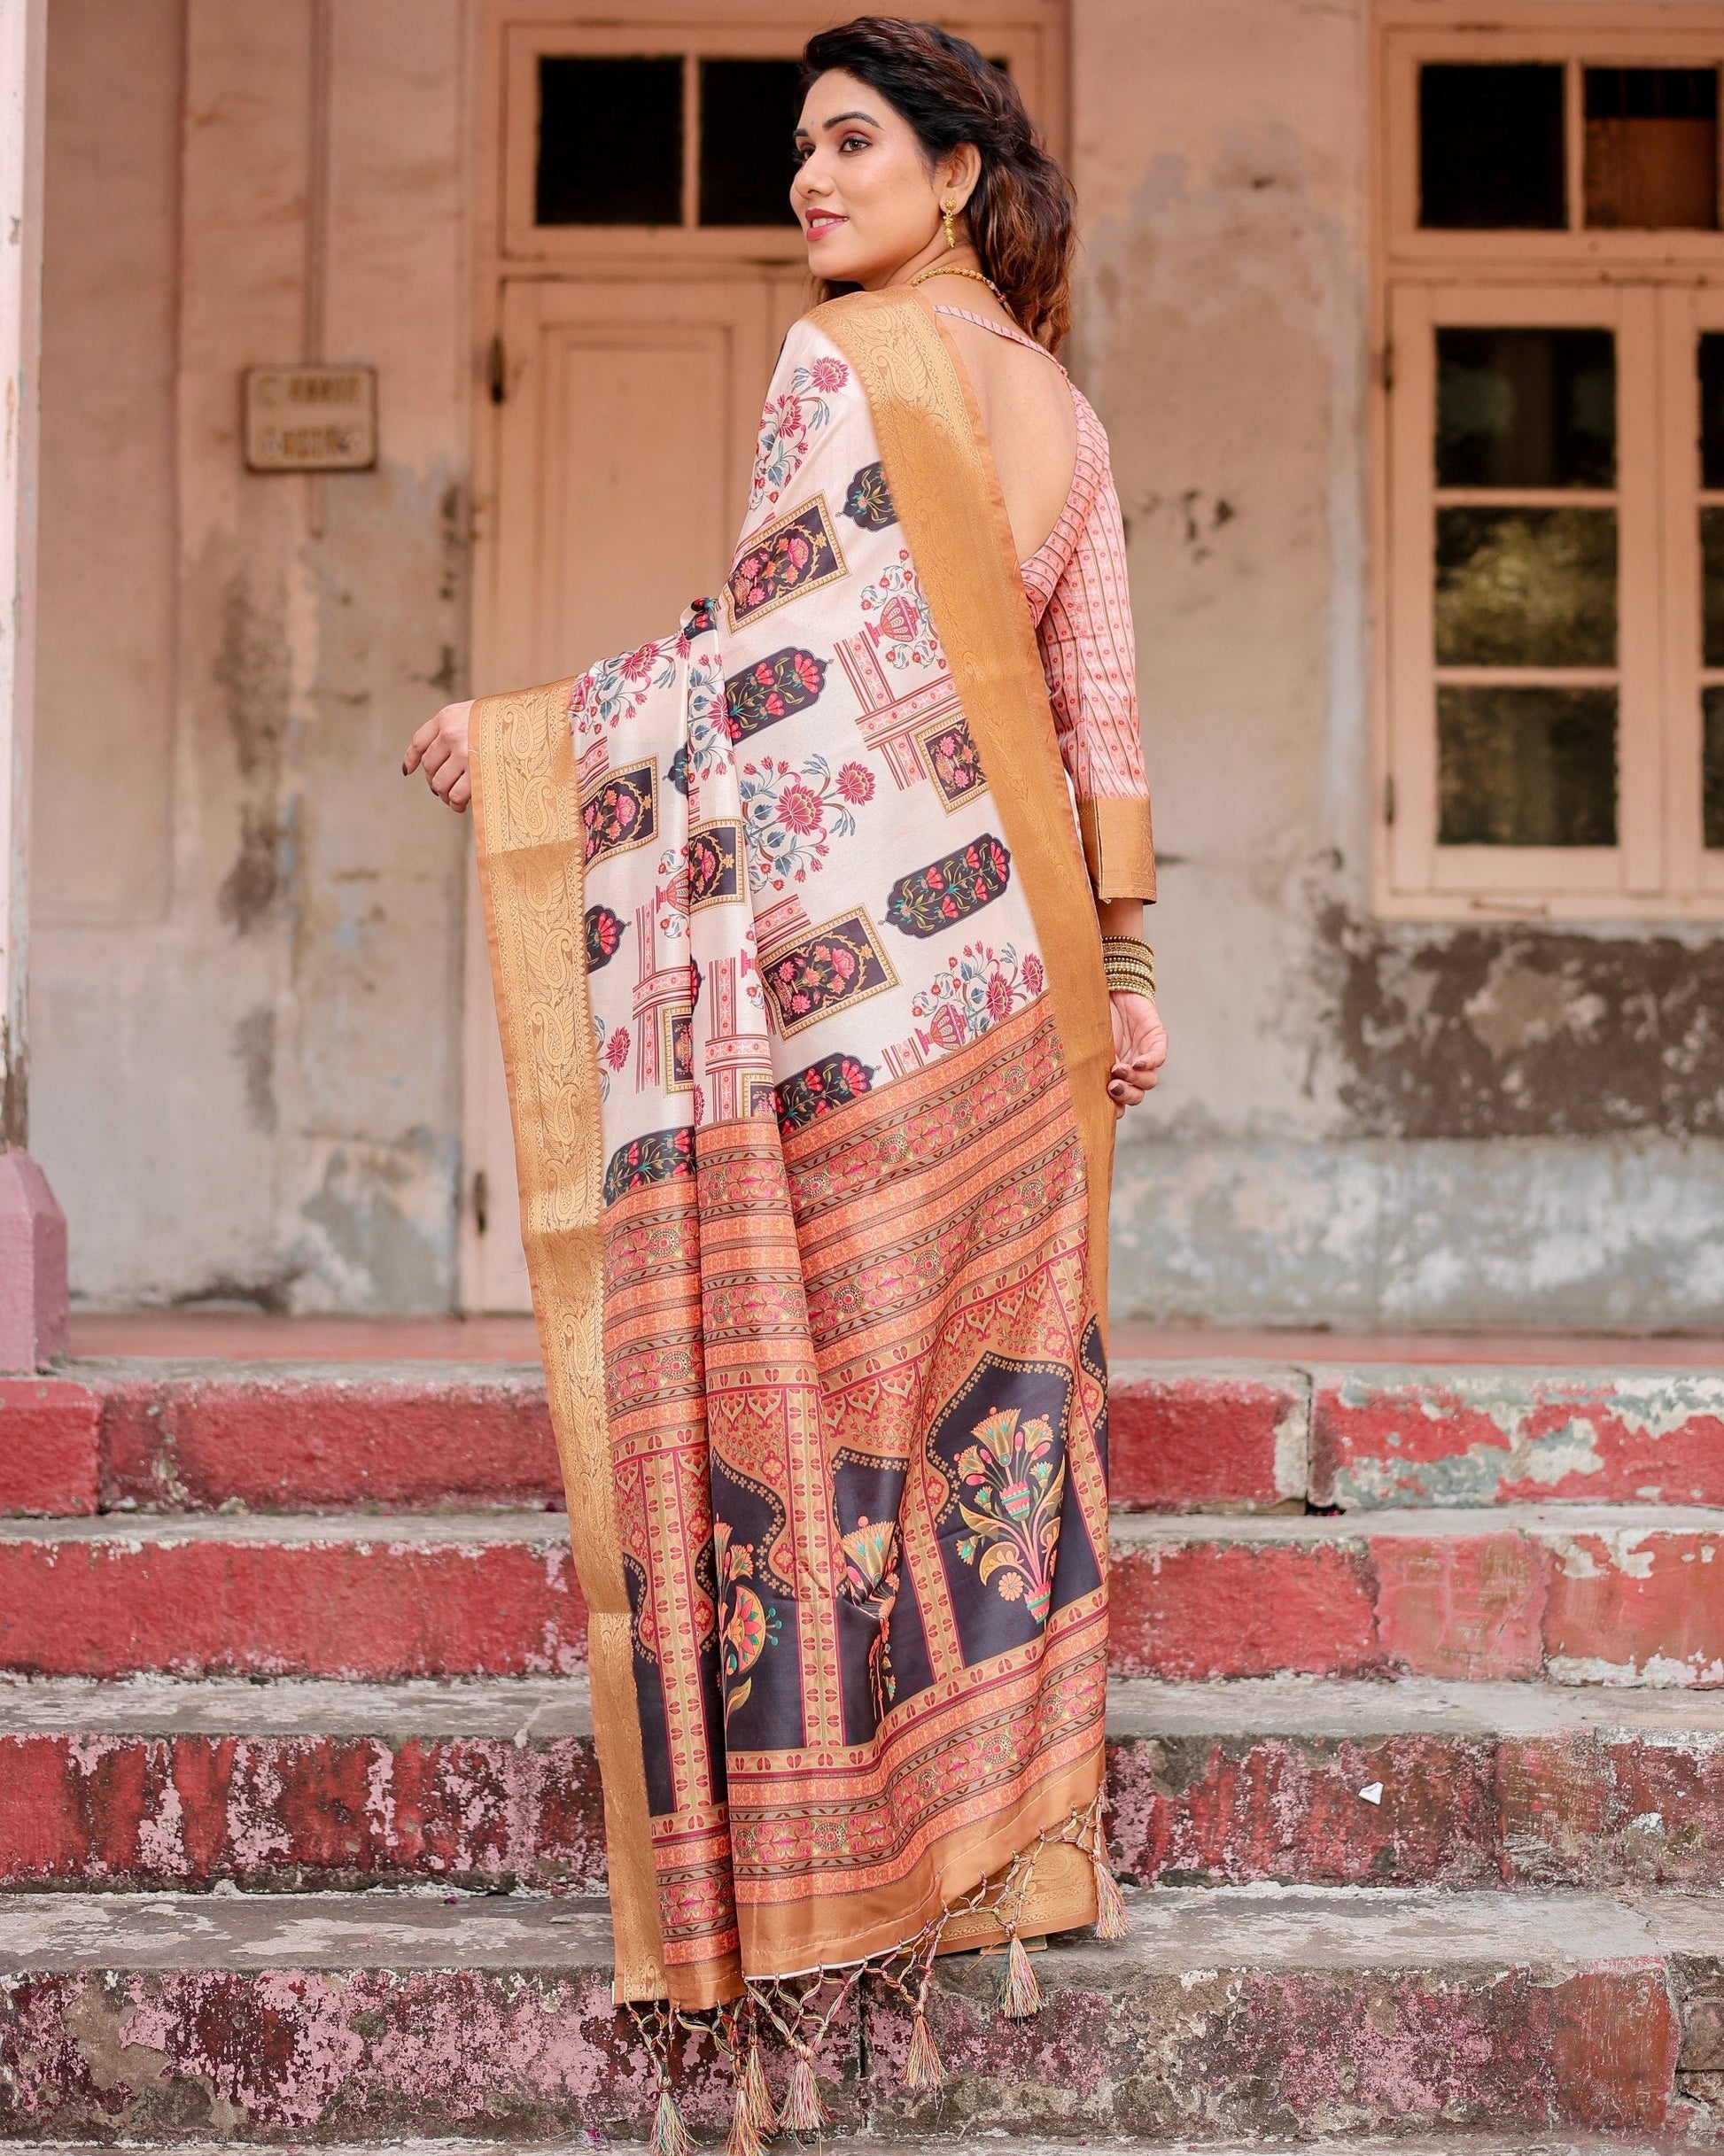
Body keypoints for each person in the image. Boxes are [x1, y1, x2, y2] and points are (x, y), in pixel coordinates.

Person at [405, 17, 1164, 2144]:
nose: (806, 184)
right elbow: (1099, 701)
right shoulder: (1065, 404)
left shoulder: (847, 362)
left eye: (847, 145)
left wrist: (534, 734)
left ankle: (840, 1855)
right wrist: (1122, 966)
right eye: (796, 151)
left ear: (951, 166)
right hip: (1007, 971)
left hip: (851, 975)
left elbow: (776, 642)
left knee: (814, 1382)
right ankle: (1009, 1853)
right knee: (990, 1394)